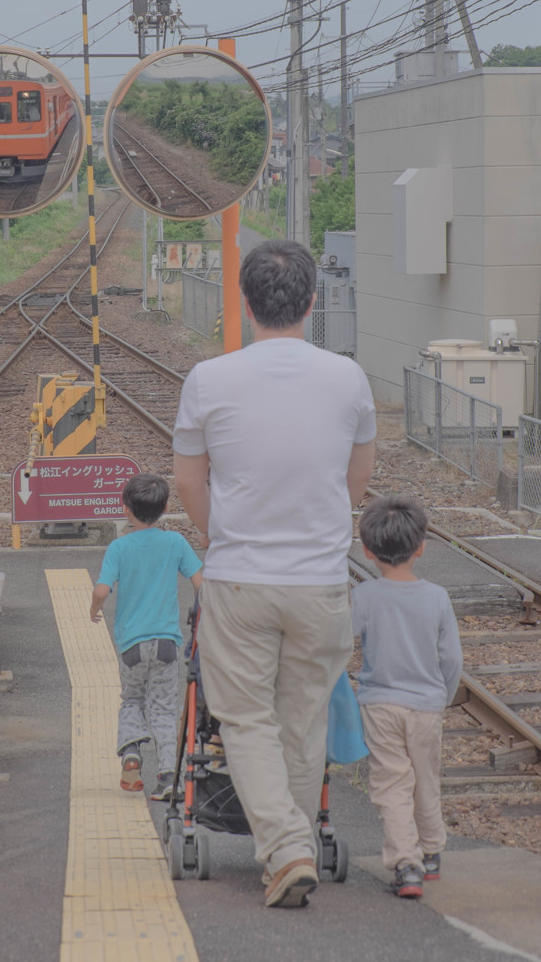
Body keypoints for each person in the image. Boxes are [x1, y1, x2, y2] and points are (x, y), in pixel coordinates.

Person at [173, 239, 376, 907]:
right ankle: (290, 850)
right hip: (320, 584)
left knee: (244, 719)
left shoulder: (209, 378)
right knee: (301, 719)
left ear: (246, 302)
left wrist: (222, 538)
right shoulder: (349, 378)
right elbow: (357, 482)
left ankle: (286, 848)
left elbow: (190, 480)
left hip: (240, 578)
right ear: (313, 303)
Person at [352, 495, 463, 898]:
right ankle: (431, 851)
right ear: (421, 546)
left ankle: (407, 863)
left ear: (366, 550)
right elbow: (451, 657)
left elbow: (342, 642)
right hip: (427, 705)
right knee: (425, 779)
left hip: (380, 705)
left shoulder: (364, 596)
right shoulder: (436, 597)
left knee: (392, 783)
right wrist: (442, 695)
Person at [90, 473, 202, 801]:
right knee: (165, 709)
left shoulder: (119, 547)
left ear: (125, 509)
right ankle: (168, 776)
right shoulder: (175, 543)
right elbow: (201, 585)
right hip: (168, 643)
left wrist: (94, 608)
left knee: (132, 699)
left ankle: (131, 755)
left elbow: (101, 589)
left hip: (131, 646)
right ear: (166, 507)